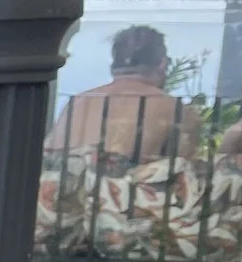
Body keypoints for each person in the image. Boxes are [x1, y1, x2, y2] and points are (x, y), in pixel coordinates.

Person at [46, 23, 192, 165]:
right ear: (163, 63)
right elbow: (185, 168)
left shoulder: (78, 102)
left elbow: (49, 158)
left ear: (113, 66)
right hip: (121, 180)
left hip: (60, 180)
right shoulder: (176, 109)